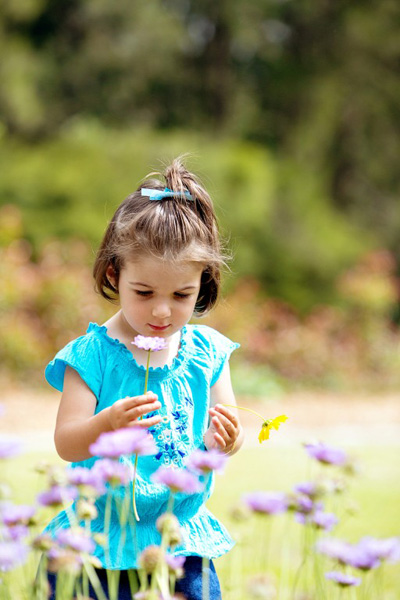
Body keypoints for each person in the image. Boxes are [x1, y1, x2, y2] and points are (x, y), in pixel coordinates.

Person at [43, 157, 244, 600]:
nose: (161, 311)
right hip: (100, 540)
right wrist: (105, 424)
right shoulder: (91, 355)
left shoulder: (207, 353)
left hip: (179, 536)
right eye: (144, 292)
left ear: (202, 284)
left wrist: (227, 438)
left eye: (181, 295)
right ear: (115, 273)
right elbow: (66, 442)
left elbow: (222, 435)